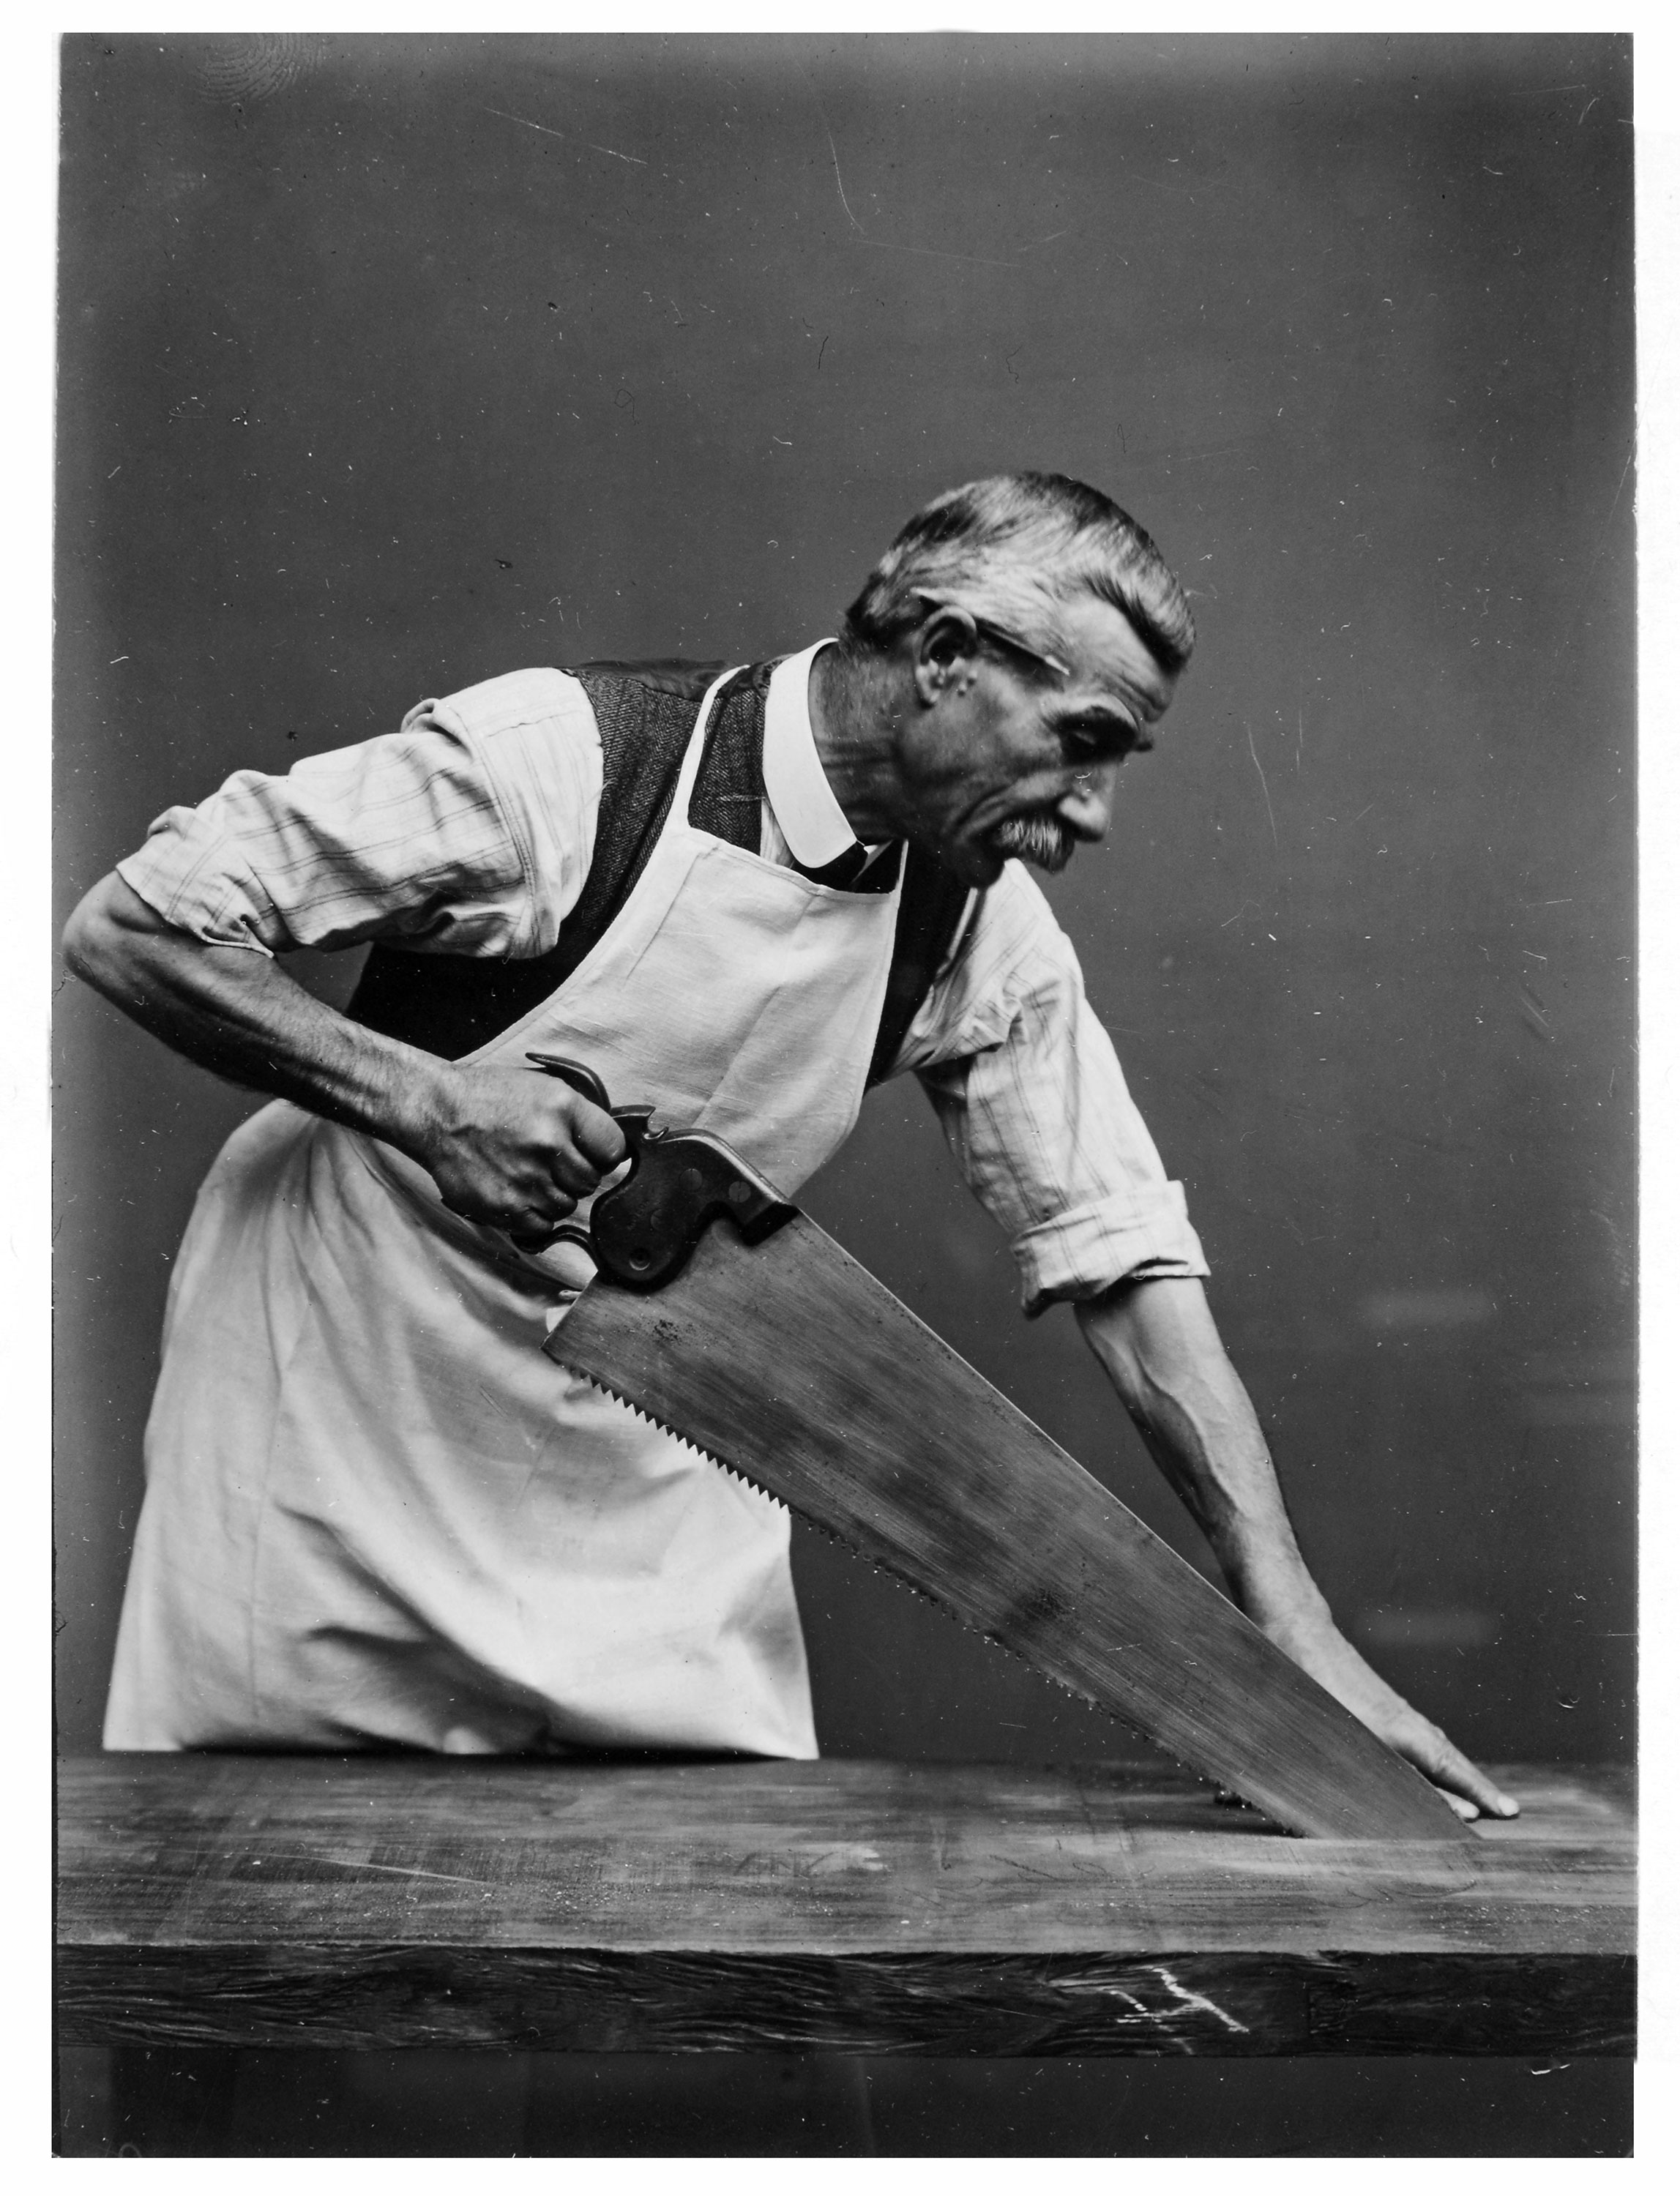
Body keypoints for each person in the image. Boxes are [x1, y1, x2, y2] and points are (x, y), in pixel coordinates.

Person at [63, 471, 1516, 1819]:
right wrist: (423, 1101)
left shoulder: (968, 918)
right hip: (349, 1409)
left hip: (656, 1433)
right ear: (947, 655)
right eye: (1080, 747)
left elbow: (1119, 1251)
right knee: (267, 1918)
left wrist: (1289, 1629)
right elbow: (138, 922)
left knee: (708, 1950)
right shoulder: (564, 767)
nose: (1095, 812)